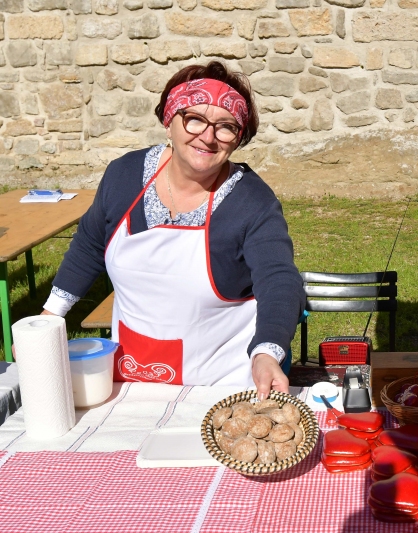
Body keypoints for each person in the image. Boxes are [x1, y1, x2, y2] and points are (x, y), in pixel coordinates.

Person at [44, 61, 305, 398]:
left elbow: (279, 279)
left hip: (218, 388)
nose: (208, 137)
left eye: (226, 127)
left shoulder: (252, 202)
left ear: (237, 139)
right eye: (194, 119)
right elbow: (90, 245)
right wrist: (50, 316)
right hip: (131, 382)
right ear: (169, 121)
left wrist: (267, 353)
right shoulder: (124, 176)